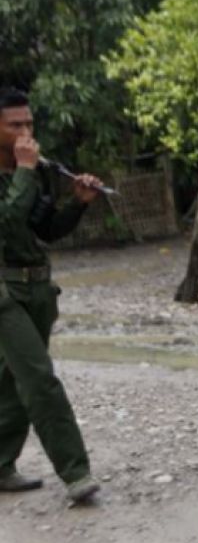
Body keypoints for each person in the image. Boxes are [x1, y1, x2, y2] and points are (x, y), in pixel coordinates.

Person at [0, 88, 102, 503]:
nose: (26, 131)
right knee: (40, 380)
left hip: (38, 287)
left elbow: (46, 231)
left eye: (29, 123)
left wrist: (78, 204)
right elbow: (6, 223)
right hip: (4, 292)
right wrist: (24, 171)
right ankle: (76, 473)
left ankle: (0, 465)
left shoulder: (35, 171)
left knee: (11, 381)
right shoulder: (27, 170)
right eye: (14, 125)